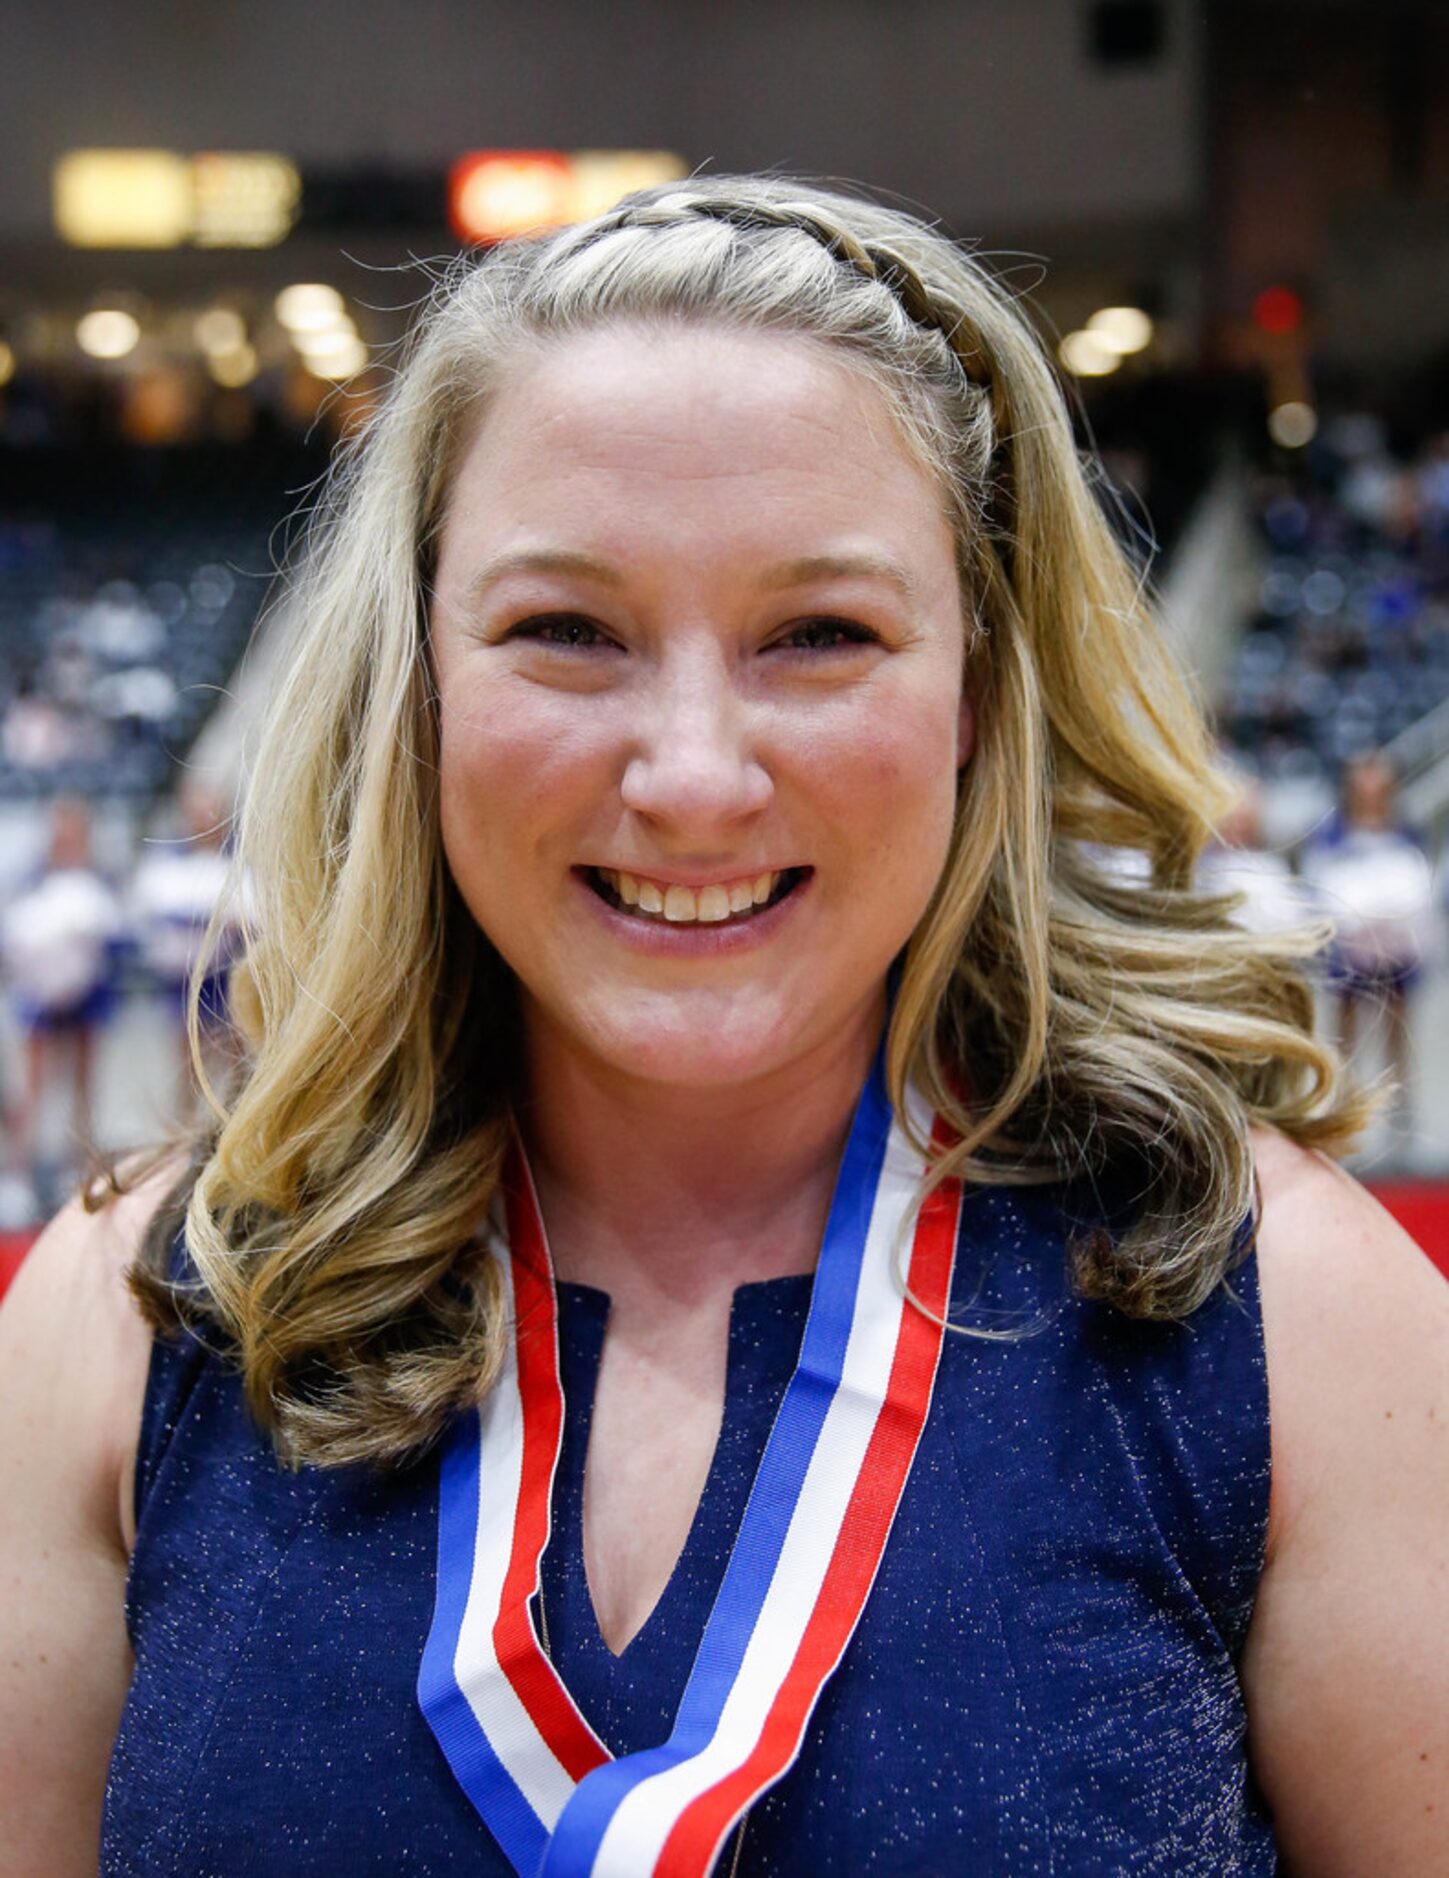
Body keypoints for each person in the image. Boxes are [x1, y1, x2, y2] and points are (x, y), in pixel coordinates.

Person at [2, 177, 1446, 1876]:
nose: (691, 776)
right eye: (566, 631)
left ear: (978, 686)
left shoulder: (1306, 1330)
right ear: (422, 678)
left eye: (819, 635)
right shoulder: (125, 1323)